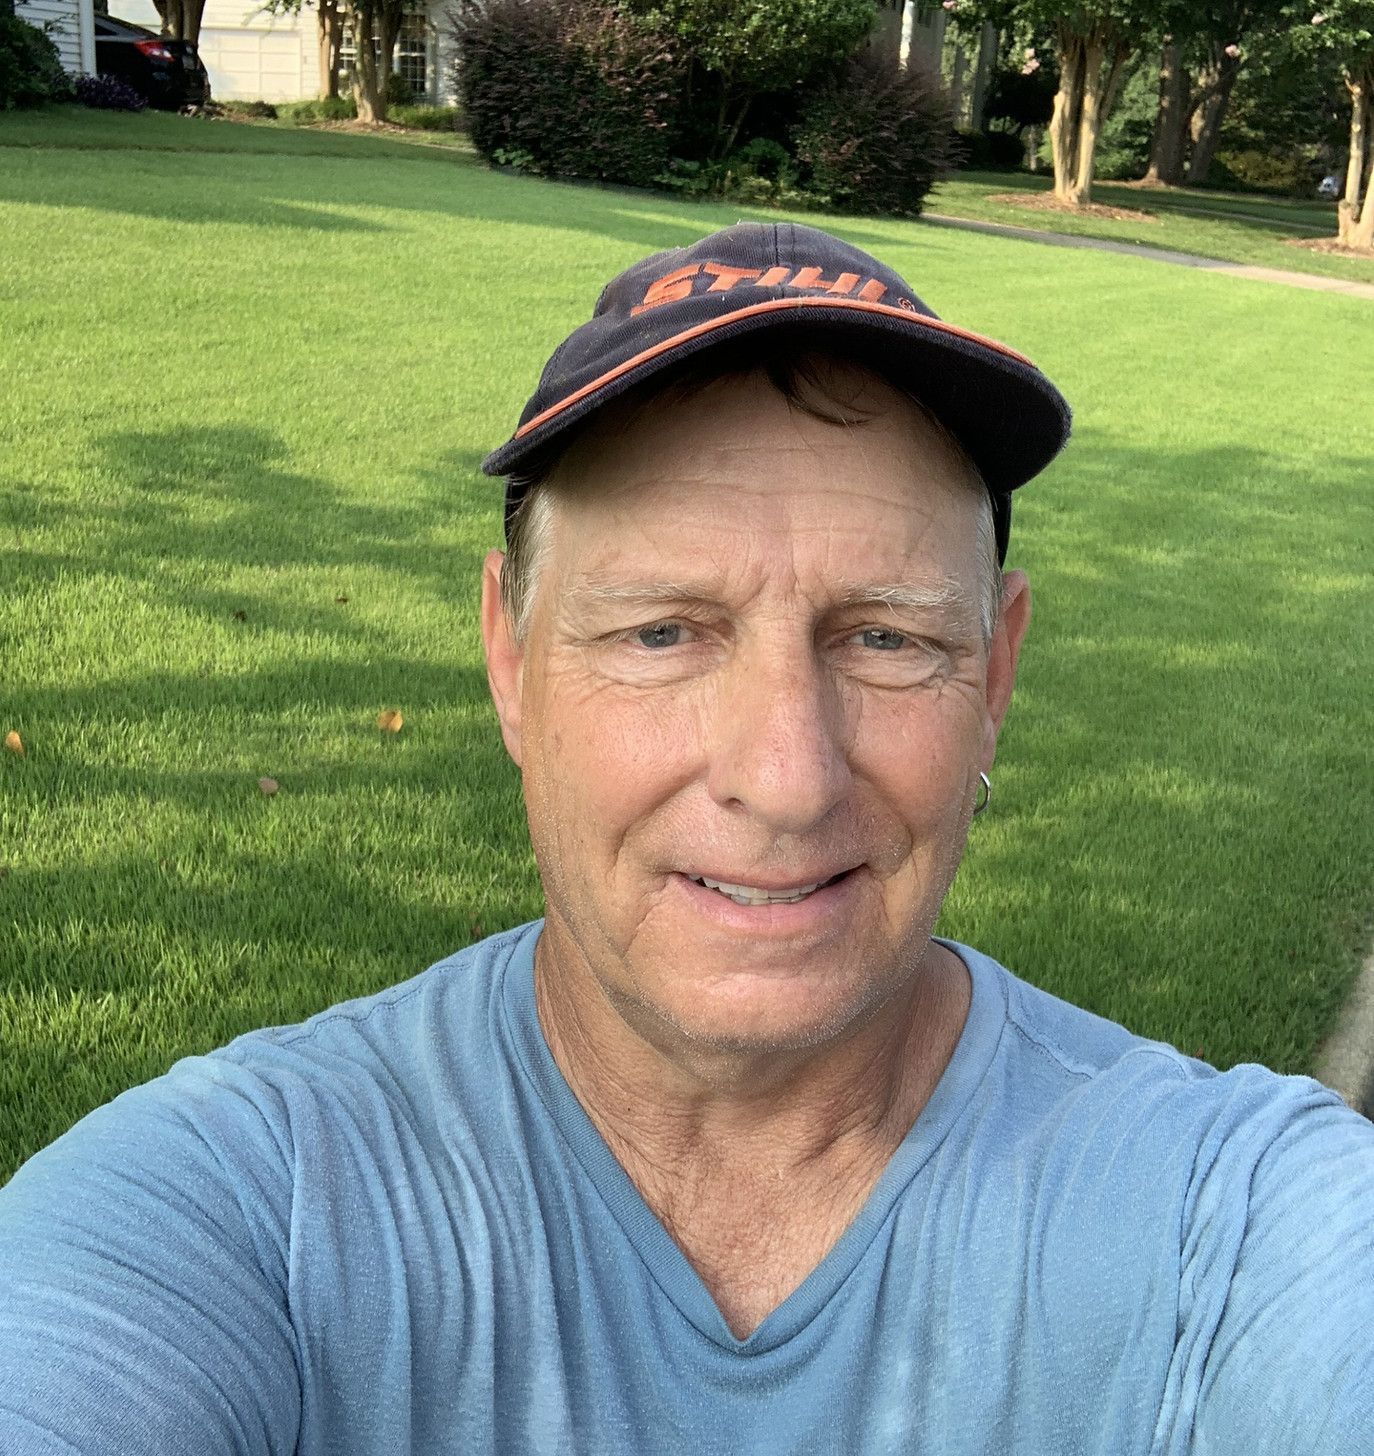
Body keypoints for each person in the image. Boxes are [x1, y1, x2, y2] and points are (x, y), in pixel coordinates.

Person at [1, 221, 1370, 1454]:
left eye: (885, 638)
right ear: (509, 658)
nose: (784, 777)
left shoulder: (1234, 1218)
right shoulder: (243, 1210)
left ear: (995, 677)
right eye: (663, 631)